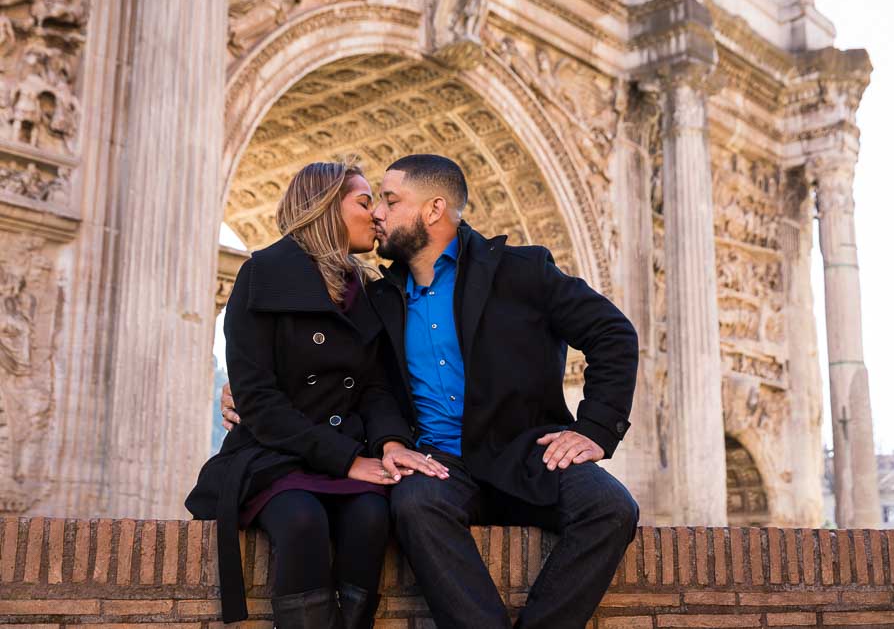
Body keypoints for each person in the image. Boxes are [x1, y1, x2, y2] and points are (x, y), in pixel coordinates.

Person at [223, 154, 640, 629]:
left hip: (527, 453)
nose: (378, 213)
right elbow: (358, 383)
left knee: (612, 507)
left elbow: (613, 333)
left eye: (390, 200)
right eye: (373, 201)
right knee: (415, 506)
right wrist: (240, 390)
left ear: (433, 209)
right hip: (436, 463)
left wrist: (597, 429)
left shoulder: (522, 270)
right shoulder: (377, 299)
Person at [188, 161, 448, 628]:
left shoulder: (369, 291)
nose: (377, 216)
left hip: (347, 447)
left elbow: (374, 387)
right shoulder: (261, 275)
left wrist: (390, 444)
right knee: (301, 520)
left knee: (370, 517)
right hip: (273, 454)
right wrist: (347, 459)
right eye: (365, 202)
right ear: (325, 207)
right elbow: (258, 400)